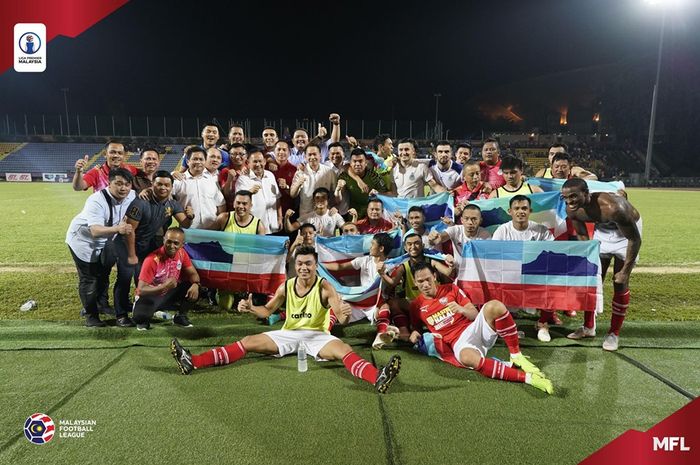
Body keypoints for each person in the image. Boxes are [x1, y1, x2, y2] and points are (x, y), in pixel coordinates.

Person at [170, 246, 402, 393]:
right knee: (249, 340)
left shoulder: (325, 287)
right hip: (288, 333)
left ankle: (376, 378)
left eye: (308, 263)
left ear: (315, 265)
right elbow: (267, 311)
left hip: (317, 336)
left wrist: (344, 314)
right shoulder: (286, 286)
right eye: (299, 263)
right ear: (295, 265)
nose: (303, 267)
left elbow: (339, 320)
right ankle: (194, 362)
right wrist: (252, 308)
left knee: (344, 349)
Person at [409, 261, 553, 394]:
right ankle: (528, 378)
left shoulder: (451, 289)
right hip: (458, 343)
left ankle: (516, 356)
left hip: (474, 329)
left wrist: (461, 309)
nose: (425, 284)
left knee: (494, 306)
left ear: (434, 276)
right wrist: (414, 333)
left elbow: (474, 314)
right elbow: (417, 329)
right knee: (467, 358)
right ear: (415, 282)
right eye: (420, 281)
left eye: (428, 279)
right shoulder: (416, 305)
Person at [561, 178, 642, 351]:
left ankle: (614, 334)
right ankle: (588, 327)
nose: (569, 201)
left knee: (619, 282)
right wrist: (588, 263)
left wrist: (626, 271)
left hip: (626, 235)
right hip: (603, 232)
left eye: (574, 196)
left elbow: (634, 239)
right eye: (566, 198)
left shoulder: (614, 208)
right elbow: (583, 236)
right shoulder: (572, 209)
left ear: (586, 193)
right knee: (593, 280)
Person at [65, 168, 136, 327]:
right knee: (89, 278)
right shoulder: (96, 200)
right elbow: (95, 230)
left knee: (103, 273)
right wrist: (118, 229)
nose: (123, 188)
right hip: (83, 241)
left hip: (105, 239)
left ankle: (101, 305)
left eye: (127, 184)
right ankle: (91, 316)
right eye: (118, 184)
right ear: (109, 184)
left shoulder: (131, 195)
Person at [121, 171, 194, 306]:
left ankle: (150, 305)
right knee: (126, 278)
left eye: (167, 185)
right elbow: (129, 231)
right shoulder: (140, 202)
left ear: (172, 187)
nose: (163, 188)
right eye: (159, 184)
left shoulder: (172, 204)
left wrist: (190, 217)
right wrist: (131, 254)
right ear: (152, 185)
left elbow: (185, 224)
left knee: (152, 277)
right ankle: (122, 312)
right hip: (133, 246)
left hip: (153, 245)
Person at [492, 195, 557, 342]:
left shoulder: (541, 230)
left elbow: (553, 252)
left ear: (530, 211)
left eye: (524, 208)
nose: (520, 211)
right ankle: (508, 325)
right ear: (510, 211)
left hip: (535, 274)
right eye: (516, 208)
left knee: (553, 283)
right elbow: (495, 256)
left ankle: (543, 324)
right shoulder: (502, 231)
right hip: (510, 274)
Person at [322, 233, 399, 349]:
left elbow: (392, 285)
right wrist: (318, 265)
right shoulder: (364, 260)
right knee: (337, 306)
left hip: (376, 303)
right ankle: (324, 333)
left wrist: (382, 273)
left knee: (385, 308)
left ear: (381, 248)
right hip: (359, 300)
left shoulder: (391, 264)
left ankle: (380, 336)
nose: (370, 247)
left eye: (373, 244)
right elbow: (340, 267)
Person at [385, 232, 455, 339]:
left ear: (422, 245)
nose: (413, 247)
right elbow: (392, 283)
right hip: (415, 305)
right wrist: (381, 273)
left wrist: (451, 264)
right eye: (409, 244)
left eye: (417, 243)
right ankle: (404, 330)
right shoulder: (403, 266)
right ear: (405, 247)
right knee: (393, 303)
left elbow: (448, 273)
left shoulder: (432, 261)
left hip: (435, 303)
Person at [132, 228, 201, 330]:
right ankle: (142, 311)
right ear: (163, 240)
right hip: (151, 295)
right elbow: (141, 290)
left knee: (194, 288)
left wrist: (195, 284)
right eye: (169, 241)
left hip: (168, 293)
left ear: (182, 244)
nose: (171, 246)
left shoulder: (182, 253)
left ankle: (180, 316)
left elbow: (194, 275)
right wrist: (163, 286)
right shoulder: (151, 259)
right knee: (140, 319)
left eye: (176, 243)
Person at [172, 146, 226, 230]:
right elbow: (167, 198)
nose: (198, 162)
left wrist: (220, 225)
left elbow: (221, 204)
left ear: (205, 162)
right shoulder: (178, 181)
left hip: (212, 230)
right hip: (189, 230)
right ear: (188, 161)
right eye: (195, 159)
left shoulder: (211, 180)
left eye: (201, 159)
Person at [235, 149, 282, 233]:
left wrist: (280, 218)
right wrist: (249, 192)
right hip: (255, 228)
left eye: (260, 161)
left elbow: (277, 198)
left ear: (264, 161)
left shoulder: (270, 175)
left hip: (274, 226)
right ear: (248, 163)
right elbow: (238, 204)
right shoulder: (242, 179)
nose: (258, 164)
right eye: (254, 161)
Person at [336, 148, 390, 219]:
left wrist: (377, 194)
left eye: (360, 161)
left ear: (365, 163)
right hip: (353, 214)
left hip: (371, 215)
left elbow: (386, 193)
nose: (357, 164)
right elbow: (338, 198)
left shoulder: (373, 176)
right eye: (354, 161)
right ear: (350, 163)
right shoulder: (344, 176)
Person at [290, 143, 337, 219]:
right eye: (309, 155)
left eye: (315, 154)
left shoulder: (329, 171)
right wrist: (298, 183)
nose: (312, 157)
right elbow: (292, 194)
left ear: (320, 155)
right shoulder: (300, 172)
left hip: (325, 215)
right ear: (305, 157)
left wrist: (335, 207)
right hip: (306, 215)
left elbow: (335, 193)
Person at [73, 140, 138, 192]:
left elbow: (146, 174)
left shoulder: (130, 169)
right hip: (103, 208)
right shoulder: (97, 172)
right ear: (105, 154)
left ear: (124, 155)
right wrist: (78, 172)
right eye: (112, 152)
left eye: (120, 153)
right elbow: (78, 187)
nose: (116, 155)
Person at [285, 187, 350, 237]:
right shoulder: (307, 217)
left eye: (323, 198)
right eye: (317, 198)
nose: (320, 200)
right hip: (313, 249)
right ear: (314, 200)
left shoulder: (335, 215)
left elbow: (348, 229)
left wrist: (354, 217)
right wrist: (286, 218)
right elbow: (290, 229)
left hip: (329, 250)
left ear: (328, 200)